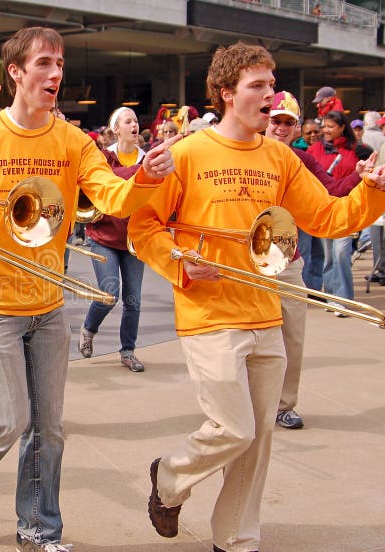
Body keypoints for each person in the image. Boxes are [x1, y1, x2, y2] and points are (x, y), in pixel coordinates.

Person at [0, 26, 178, 552]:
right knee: (7, 420)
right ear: (15, 72)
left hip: (48, 304)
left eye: (59, 63)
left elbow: (112, 199)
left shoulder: (74, 141)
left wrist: (146, 176)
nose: (55, 73)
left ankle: (38, 531)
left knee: (48, 429)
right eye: (43, 63)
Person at [127, 42, 385, 552]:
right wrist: (178, 261)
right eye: (258, 85)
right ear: (227, 93)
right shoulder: (186, 154)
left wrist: (371, 189)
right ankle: (169, 479)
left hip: (266, 311)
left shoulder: (280, 157)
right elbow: (144, 228)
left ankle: (236, 540)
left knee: (258, 441)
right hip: (208, 314)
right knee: (234, 428)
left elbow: (328, 218)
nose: (270, 93)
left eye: (272, 83)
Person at [264, 90, 370, 430]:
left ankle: (283, 405)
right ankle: (244, 404)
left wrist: (361, 179)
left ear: (295, 128)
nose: (280, 128)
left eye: (287, 123)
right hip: (239, 260)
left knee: (292, 335)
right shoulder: (244, 152)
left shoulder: (303, 160)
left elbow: (331, 192)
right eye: (275, 120)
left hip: (286, 259)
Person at [79, 106, 147, 373]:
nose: (134, 124)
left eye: (136, 120)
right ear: (116, 129)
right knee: (109, 294)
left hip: (134, 240)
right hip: (104, 236)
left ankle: (128, 351)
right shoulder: (104, 158)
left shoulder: (147, 158)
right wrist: (141, 175)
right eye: (127, 121)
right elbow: (102, 184)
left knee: (134, 301)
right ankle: (89, 328)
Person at [308, 110, 359, 315]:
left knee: (341, 254)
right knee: (329, 256)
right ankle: (331, 296)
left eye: (331, 126)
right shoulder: (314, 150)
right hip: (323, 208)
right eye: (325, 126)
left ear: (341, 128)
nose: (326, 130)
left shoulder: (355, 150)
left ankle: (344, 300)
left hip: (346, 208)